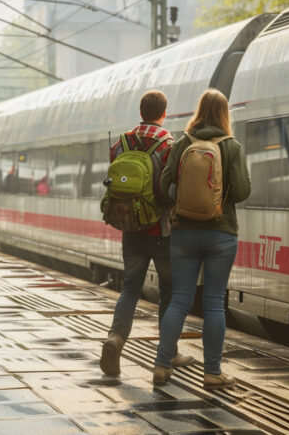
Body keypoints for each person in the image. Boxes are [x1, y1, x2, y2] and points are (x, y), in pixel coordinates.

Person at [153, 88, 251, 389]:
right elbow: (242, 192)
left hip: (184, 233)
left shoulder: (183, 142)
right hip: (221, 233)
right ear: (224, 114)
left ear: (198, 111)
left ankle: (161, 365)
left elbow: (164, 185)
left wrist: (182, 202)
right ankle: (212, 372)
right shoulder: (231, 146)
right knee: (214, 303)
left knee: (180, 300)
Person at [99, 90, 194, 376]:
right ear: (164, 113)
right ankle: (168, 353)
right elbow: (173, 188)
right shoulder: (169, 145)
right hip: (162, 230)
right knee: (168, 290)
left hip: (130, 227)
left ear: (141, 112)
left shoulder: (121, 143)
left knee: (130, 288)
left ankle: (116, 338)